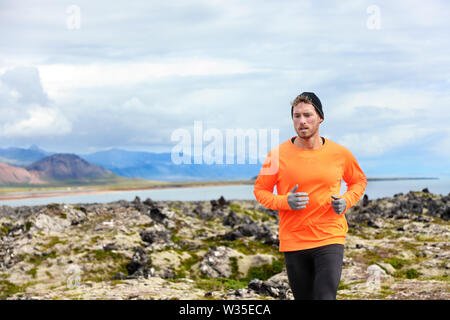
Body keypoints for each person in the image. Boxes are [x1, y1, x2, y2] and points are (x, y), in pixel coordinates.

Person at [253, 92, 367, 300]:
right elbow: (260, 191)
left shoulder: (340, 154)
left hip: (330, 237)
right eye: (297, 116)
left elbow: (358, 181)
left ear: (320, 117)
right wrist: (284, 201)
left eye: (307, 115)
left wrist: (346, 200)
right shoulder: (276, 156)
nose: (302, 121)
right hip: (294, 240)